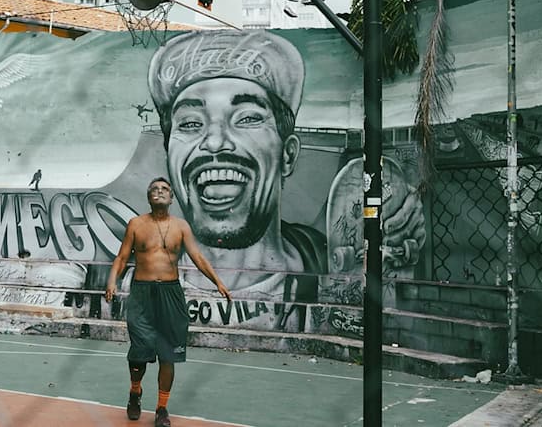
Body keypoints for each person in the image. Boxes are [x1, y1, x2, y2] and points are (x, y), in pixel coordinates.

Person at [146, 30, 425, 330]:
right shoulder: (144, 275)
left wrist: (397, 230)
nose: (215, 143)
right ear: (168, 156)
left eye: (247, 118)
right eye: (189, 123)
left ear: (288, 155)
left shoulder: (326, 261)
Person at [105, 177, 231, 427]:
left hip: (171, 294)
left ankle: (162, 408)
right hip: (142, 294)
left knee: (168, 354)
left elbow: (197, 256)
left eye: (164, 189)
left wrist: (217, 281)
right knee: (139, 352)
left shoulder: (181, 226)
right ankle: (135, 391)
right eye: (154, 189)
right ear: (149, 196)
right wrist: (112, 281)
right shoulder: (136, 224)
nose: (159, 192)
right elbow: (121, 257)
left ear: (171, 198)